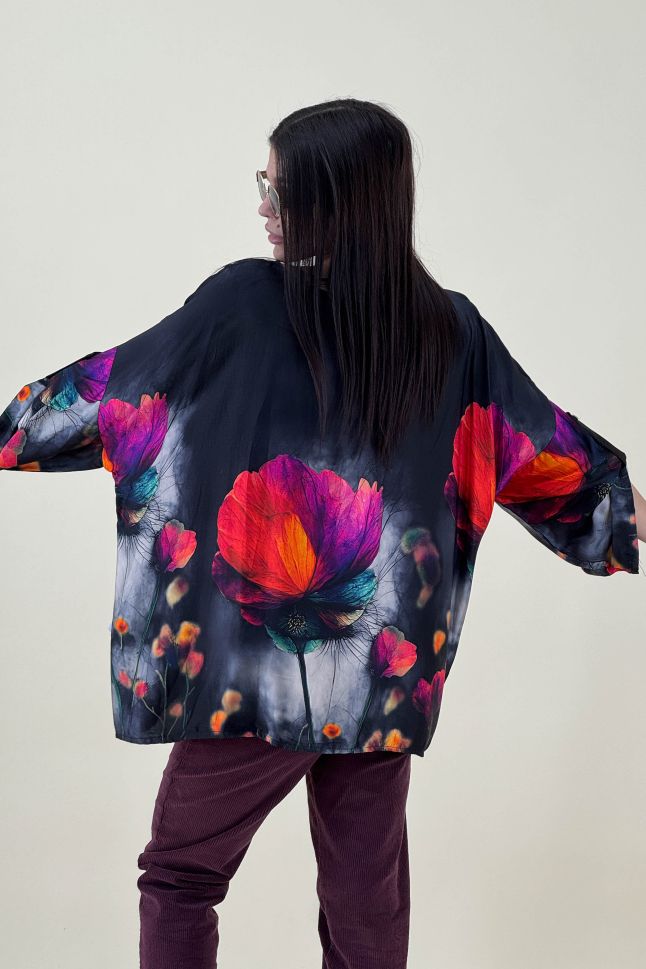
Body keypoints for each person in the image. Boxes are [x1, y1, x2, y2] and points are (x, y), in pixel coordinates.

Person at [1, 98, 644, 969]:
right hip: (383, 673)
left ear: (336, 199)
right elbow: (548, 454)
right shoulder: (451, 331)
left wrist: (14, 428)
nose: (262, 206)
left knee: (181, 875)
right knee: (363, 900)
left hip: (252, 682)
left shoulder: (241, 305)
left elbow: (116, 392)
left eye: (278, 188)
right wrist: (623, 517)